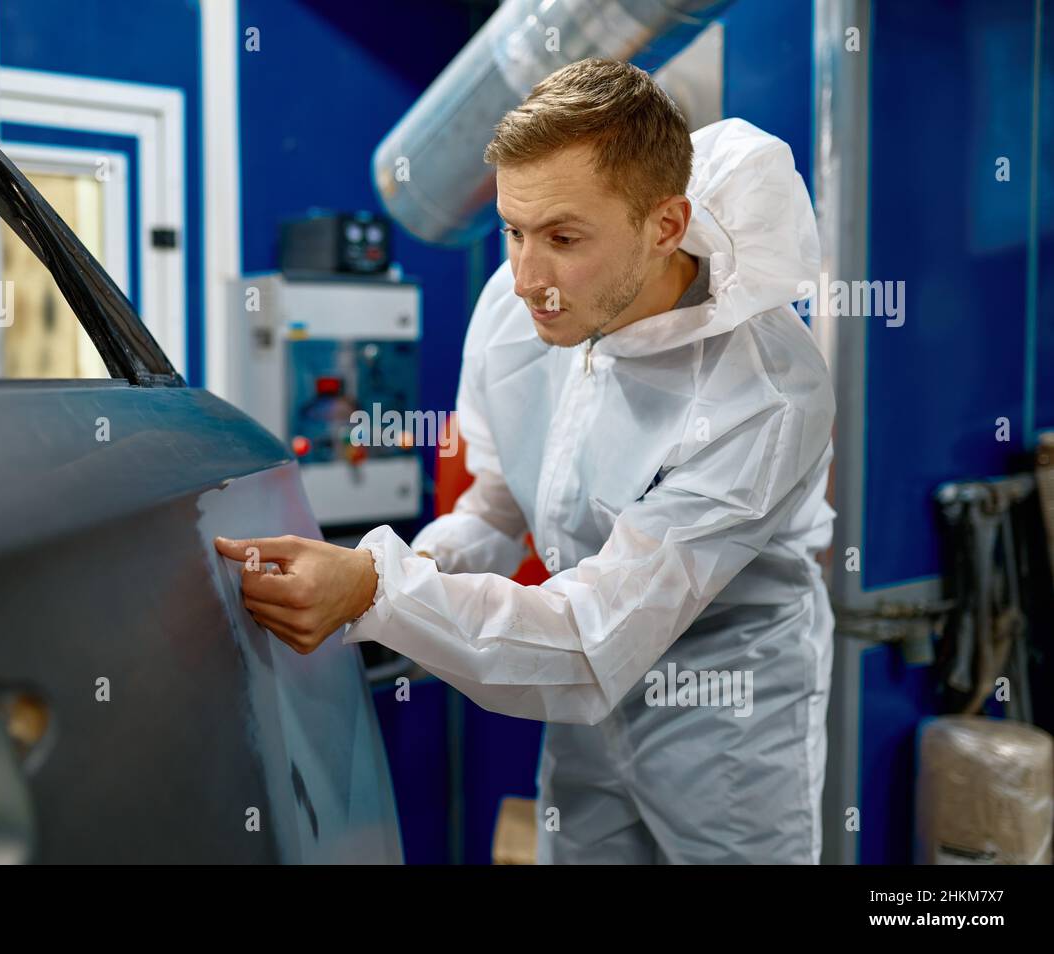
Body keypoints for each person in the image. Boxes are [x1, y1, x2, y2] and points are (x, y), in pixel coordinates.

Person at [215, 57, 836, 864]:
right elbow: (497, 507)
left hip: (725, 713)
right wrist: (402, 570)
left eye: (564, 237)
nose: (525, 276)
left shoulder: (761, 394)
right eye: (513, 229)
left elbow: (591, 643)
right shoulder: (523, 310)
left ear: (666, 226)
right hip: (580, 704)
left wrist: (377, 592)